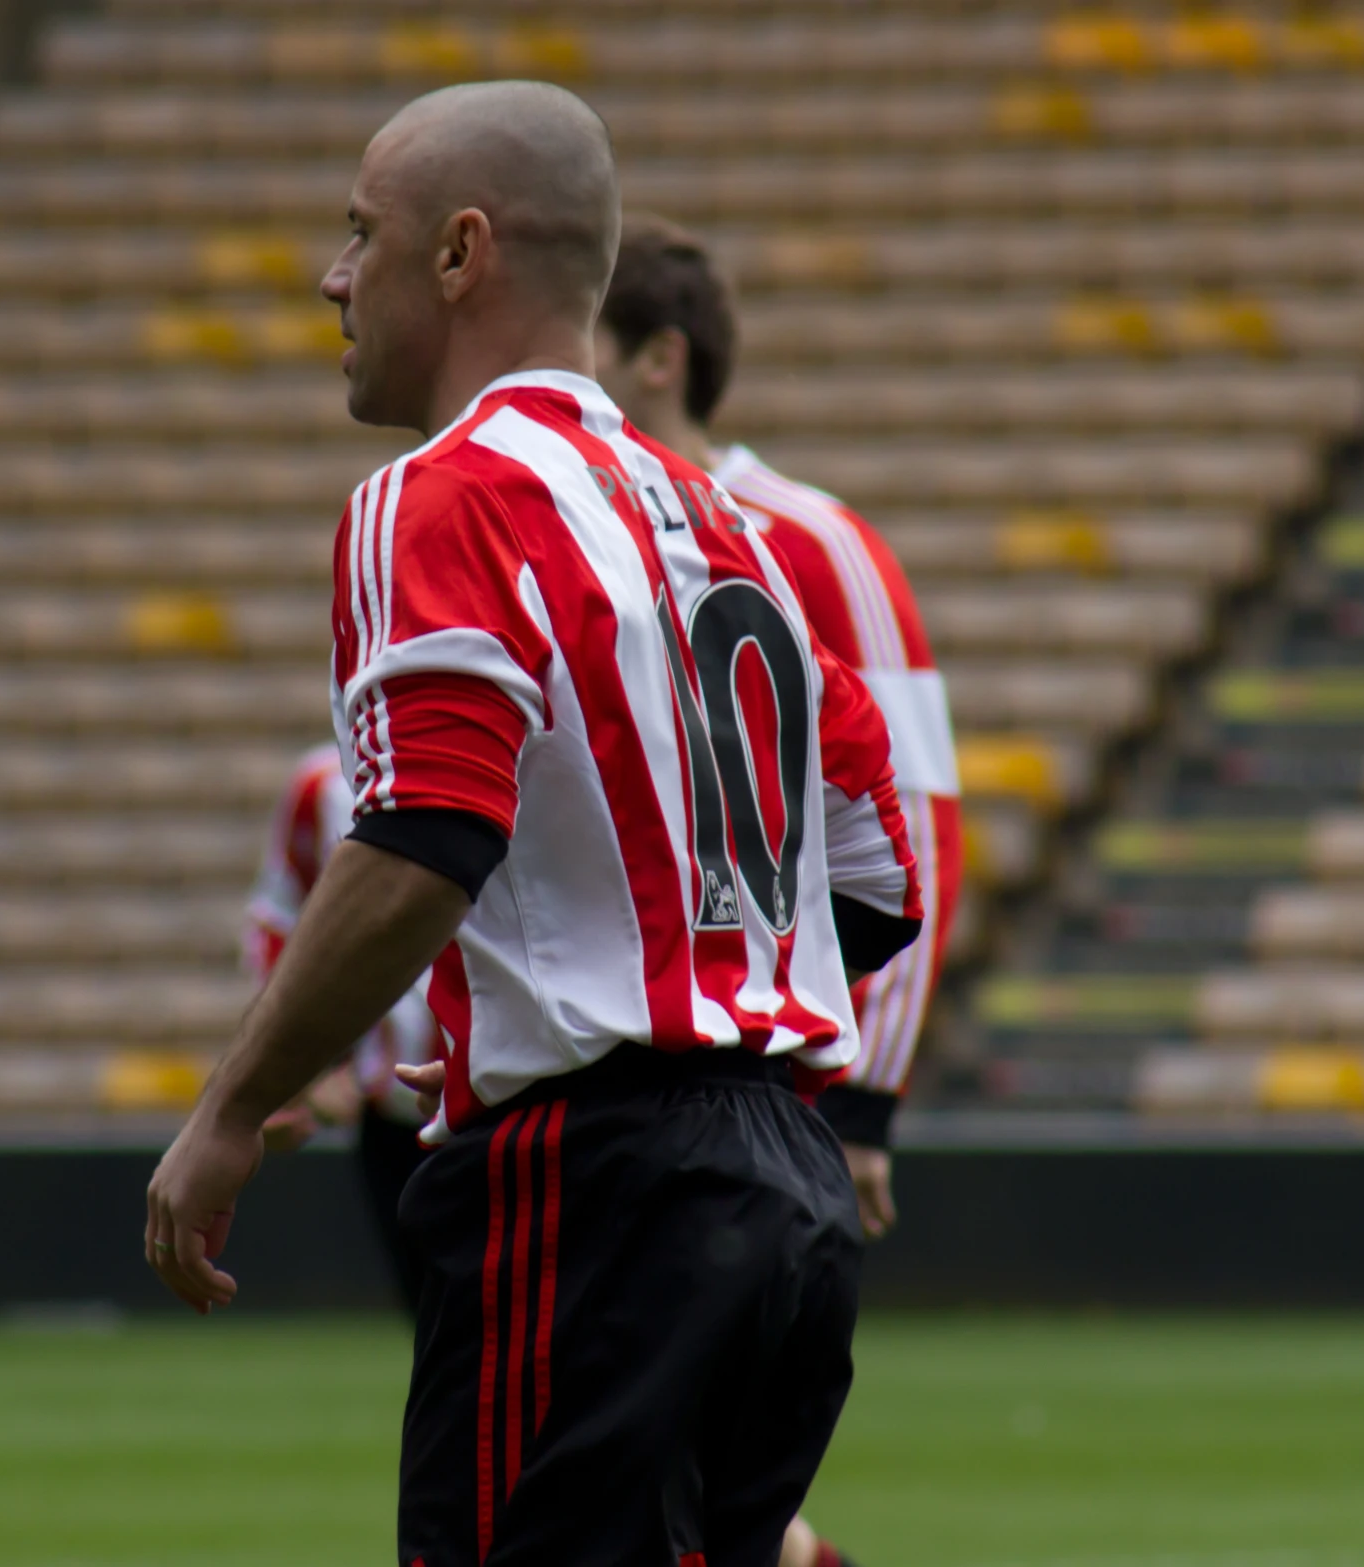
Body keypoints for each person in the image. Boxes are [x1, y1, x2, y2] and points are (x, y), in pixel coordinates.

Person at [145, 80, 924, 1567]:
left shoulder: (437, 498)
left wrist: (233, 1103)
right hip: (786, 1195)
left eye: (357, 232)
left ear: (459, 255)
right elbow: (873, 870)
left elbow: (424, 834)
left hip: (596, 1198)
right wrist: (623, 970)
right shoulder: (721, 525)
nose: (330, 273)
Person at [595, 216, 966, 1567]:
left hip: (765, 1098)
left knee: (673, 1490)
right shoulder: (592, 529)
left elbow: (916, 814)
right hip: (631, 1092)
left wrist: (864, 1094)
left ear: (655, 360)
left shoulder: (809, 537)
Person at [244, 741, 436, 1310]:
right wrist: (302, 1068)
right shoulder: (323, 784)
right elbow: (280, 925)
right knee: (435, 1321)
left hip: (513, 1101)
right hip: (395, 1113)